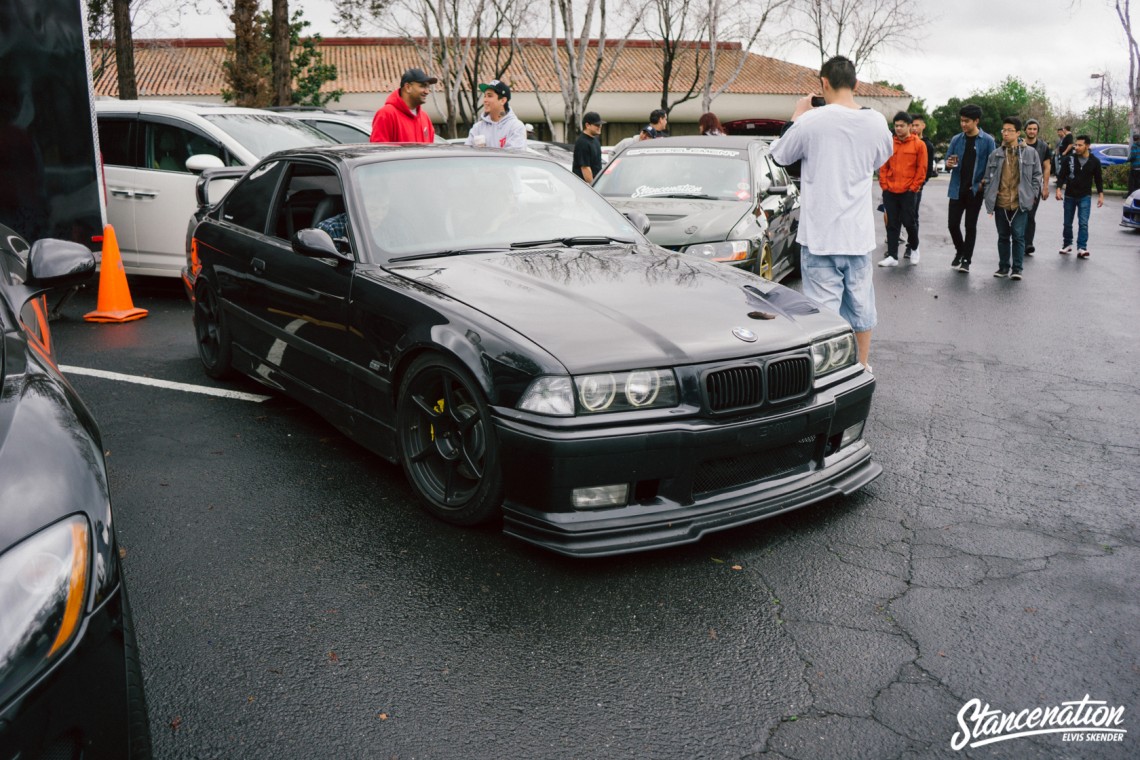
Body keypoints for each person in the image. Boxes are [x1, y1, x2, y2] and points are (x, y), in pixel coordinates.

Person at [770, 55, 893, 372]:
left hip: (821, 236)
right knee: (861, 306)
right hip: (858, 235)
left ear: (823, 84)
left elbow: (780, 155)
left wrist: (797, 115)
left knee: (824, 314)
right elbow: (882, 156)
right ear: (855, 84)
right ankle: (862, 366)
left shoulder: (812, 121)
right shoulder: (876, 122)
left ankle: (830, 372)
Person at [982, 117, 1042, 280]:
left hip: (1020, 202)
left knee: (1018, 236)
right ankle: (1003, 268)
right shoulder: (995, 154)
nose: (1005, 133)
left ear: (1017, 133)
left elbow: (1037, 175)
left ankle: (1017, 269)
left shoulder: (1030, 153)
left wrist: (1033, 194)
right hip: (1001, 202)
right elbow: (987, 178)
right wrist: (990, 193)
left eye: (1009, 130)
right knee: (1002, 237)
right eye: (1003, 130)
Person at [943, 104, 996, 273]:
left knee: (970, 226)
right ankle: (960, 250)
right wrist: (948, 164)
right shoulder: (956, 139)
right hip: (957, 188)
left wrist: (984, 182)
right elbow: (947, 161)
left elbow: (993, 165)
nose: (963, 125)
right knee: (952, 225)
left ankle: (966, 260)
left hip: (975, 190)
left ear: (976, 121)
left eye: (967, 121)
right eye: (961, 121)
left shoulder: (987, 141)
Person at [877, 111, 927, 267]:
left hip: (908, 191)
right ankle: (892, 256)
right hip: (890, 190)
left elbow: (922, 168)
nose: (898, 128)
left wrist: (913, 188)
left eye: (901, 126)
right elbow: (883, 165)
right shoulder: (889, 143)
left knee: (909, 222)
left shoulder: (919, 144)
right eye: (896, 125)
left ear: (909, 126)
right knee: (891, 223)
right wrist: (884, 185)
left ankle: (914, 248)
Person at [1055, 134, 1104, 258]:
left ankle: (1082, 247)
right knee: (1067, 223)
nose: (1076, 147)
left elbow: (1098, 179)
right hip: (1070, 195)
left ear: (1087, 146)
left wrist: (1101, 195)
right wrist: (1058, 189)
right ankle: (1067, 244)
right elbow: (1061, 175)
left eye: (1080, 145)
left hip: (1085, 197)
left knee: (1083, 223)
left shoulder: (1095, 162)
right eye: (1076, 145)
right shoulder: (1069, 159)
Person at [370, 68, 438, 143]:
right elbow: (379, 152)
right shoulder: (386, 114)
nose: (427, 91)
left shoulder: (425, 118)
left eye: (428, 87)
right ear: (408, 87)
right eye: (422, 86)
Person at [464, 80, 527, 150]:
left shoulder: (515, 127)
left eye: (489, 96)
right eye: (485, 96)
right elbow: (467, 154)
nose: (485, 100)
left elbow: (514, 158)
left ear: (502, 100)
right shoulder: (478, 128)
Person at [1022, 118, 1051, 255]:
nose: (1032, 131)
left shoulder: (1043, 147)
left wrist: (1045, 187)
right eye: (1030, 128)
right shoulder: (1018, 144)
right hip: (1018, 185)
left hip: (1034, 186)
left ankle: (1028, 243)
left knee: (1030, 215)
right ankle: (1018, 240)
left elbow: (1047, 167)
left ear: (1037, 131)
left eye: (1034, 129)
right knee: (1018, 214)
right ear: (1025, 130)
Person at [909, 114, 936, 257]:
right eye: (912, 125)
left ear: (923, 126)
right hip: (902, 184)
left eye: (916, 125)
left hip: (916, 186)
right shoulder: (904, 142)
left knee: (913, 216)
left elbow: (928, 170)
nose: (914, 128)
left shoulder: (927, 145)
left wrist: (921, 184)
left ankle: (912, 245)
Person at [572, 112, 604, 182]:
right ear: (587, 125)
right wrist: (593, 187)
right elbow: (585, 168)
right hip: (584, 187)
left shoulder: (595, 139)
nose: (600, 126)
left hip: (596, 184)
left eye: (600, 124)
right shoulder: (582, 142)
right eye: (597, 125)